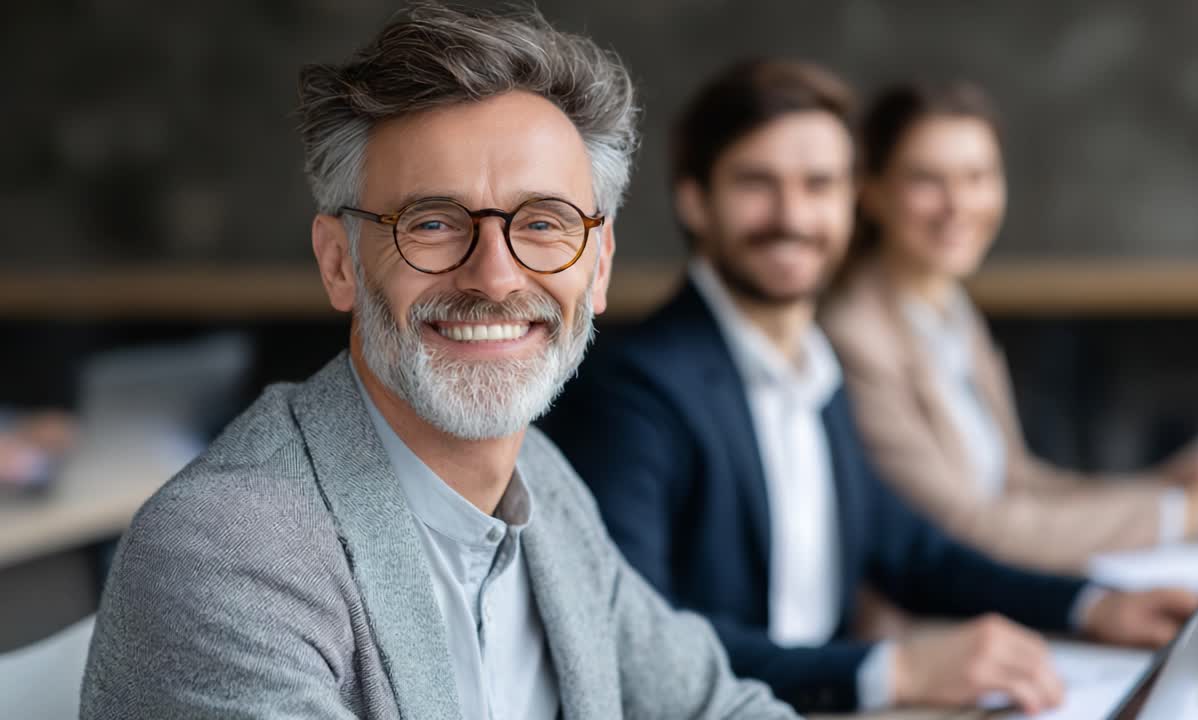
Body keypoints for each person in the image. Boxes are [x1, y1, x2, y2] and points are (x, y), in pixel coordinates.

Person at [80, 5, 797, 718]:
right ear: (339, 263)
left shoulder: (545, 484)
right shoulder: (227, 549)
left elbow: (717, 705)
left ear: (599, 265)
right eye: (431, 223)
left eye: (542, 223)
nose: (495, 278)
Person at [540, 58, 1198, 715]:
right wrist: (891, 670)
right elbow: (640, 644)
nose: (793, 215)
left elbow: (911, 550)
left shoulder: (816, 364)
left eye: (819, 184)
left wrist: (1091, 605)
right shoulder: (633, 389)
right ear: (695, 200)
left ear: (852, 201)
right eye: (757, 183)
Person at [818, 81, 1198, 573]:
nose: (958, 205)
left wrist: (1162, 486)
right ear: (872, 192)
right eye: (927, 180)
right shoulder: (855, 337)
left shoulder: (950, 312)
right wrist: (1185, 514)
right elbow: (967, 528)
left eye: (977, 177)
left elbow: (1014, 482)